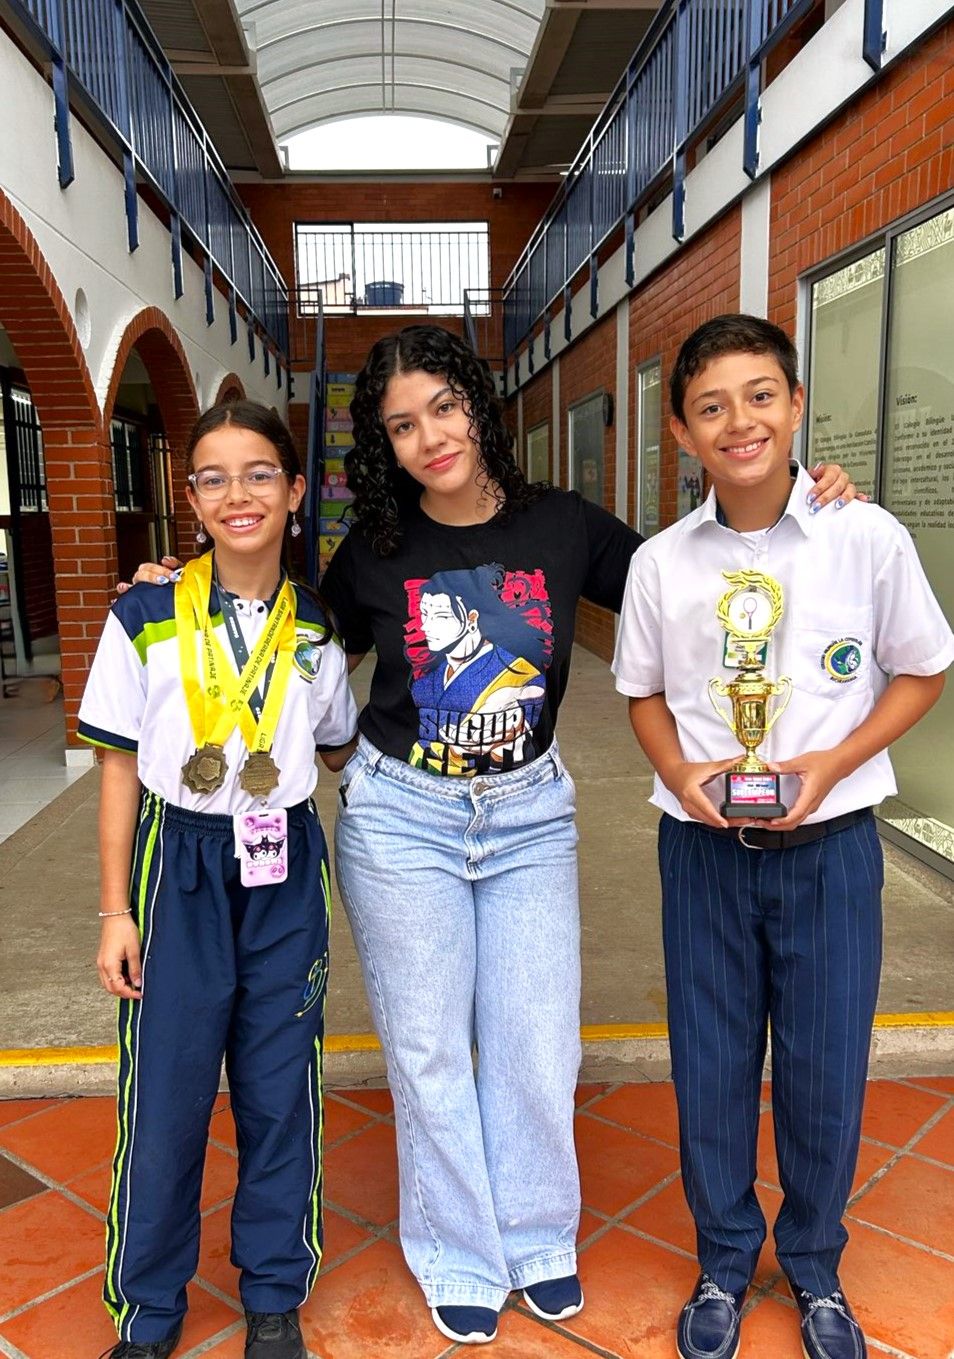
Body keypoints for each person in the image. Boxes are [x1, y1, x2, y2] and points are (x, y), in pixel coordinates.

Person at [128, 325, 856, 1347]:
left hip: (527, 817)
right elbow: (287, 635)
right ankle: (460, 1250)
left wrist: (802, 507)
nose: (431, 436)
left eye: (445, 407)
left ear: (477, 404)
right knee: (429, 1050)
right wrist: (184, 585)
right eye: (403, 425)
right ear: (385, 445)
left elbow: (698, 582)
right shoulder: (374, 549)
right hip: (402, 819)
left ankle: (538, 1237)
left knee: (535, 1039)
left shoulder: (563, 524)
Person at [612, 314, 953, 1359]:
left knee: (825, 1070)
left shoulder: (867, 537)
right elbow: (643, 693)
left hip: (832, 852)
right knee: (710, 1067)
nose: (740, 422)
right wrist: (681, 774)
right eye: (711, 406)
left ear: (797, 404)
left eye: (761, 396)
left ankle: (814, 1264)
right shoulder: (661, 562)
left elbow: (923, 669)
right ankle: (723, 1261)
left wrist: (833, 763)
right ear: (681, 431)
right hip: (704, 854)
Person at [81, 402, 358, 1359]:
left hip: (283, 861)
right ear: (192, 499)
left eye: (258, 473)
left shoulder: (316, 625)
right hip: (179, 863)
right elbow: (118, 768)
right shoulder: (144, 613)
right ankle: (148, 1308)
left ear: (294, 490)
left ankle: (273, 1292)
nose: (238, 493)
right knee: (166, 1091)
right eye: (214, 477)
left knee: (281, 1088)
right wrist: (115, 909)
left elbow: (338, 744)